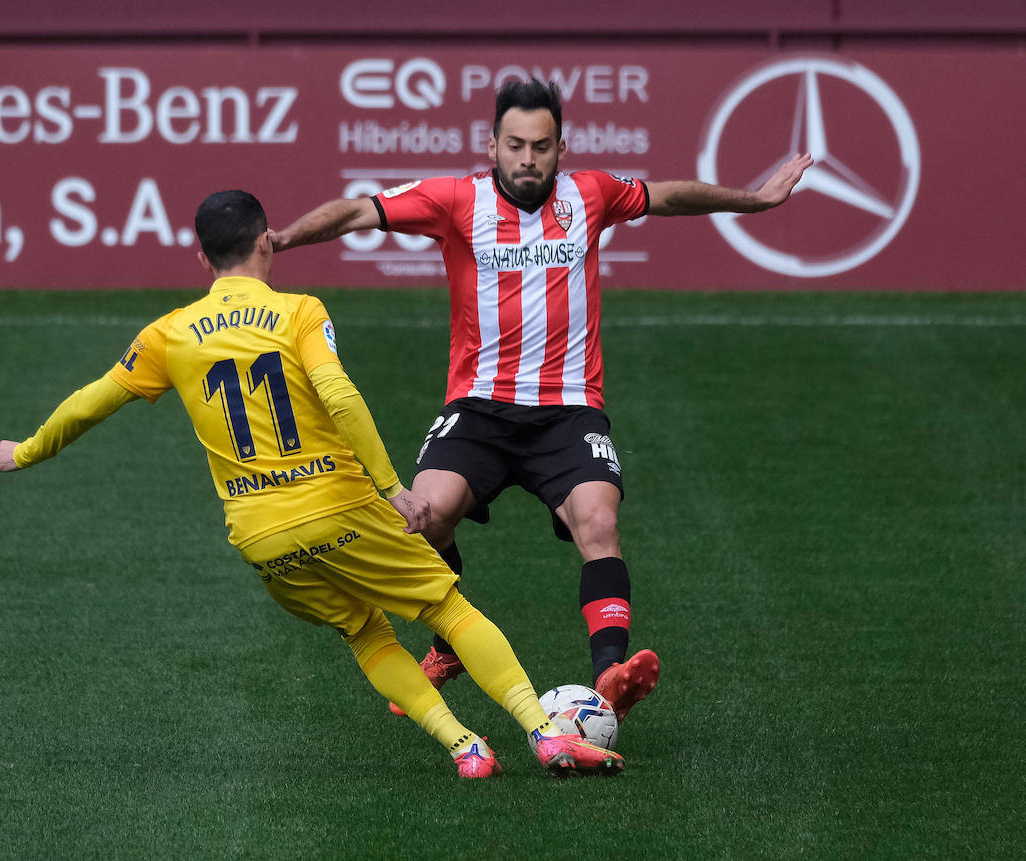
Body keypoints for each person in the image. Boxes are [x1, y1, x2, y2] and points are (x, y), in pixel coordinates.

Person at [0, 189, 625, 779]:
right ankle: (544, 732)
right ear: (264, 243)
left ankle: (465, 747)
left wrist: (26, 449)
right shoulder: (299, 313)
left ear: (202, 260)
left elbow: (92, 400)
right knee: (446, 607)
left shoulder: (168, 334)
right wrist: (394, 486)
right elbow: (338, 396)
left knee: (366, 633)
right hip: (338, 504)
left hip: (260, 536)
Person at [271, 79, 814, 721]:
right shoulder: (454, 199)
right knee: (423, 516)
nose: (527, 159)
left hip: (569, 410)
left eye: (541, 146)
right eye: (515, 145)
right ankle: (447, 645)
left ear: (562, 146)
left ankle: (610, 673)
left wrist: (753, 199)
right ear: (492, 144)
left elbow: (668, 196)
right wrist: (282, 241)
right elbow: (358, 210)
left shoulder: (592, 195)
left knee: (600, 523)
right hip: (478, 407)